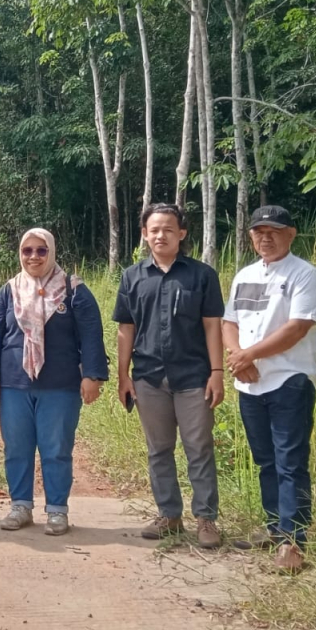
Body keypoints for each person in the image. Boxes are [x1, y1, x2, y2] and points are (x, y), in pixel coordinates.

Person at [113, 203, 226, 549]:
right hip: (148, 377)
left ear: (182, 234)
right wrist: (123, 376)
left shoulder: (202, 275)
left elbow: (212, 326)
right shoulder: (132, 277)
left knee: (199, 448)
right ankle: (169, 515)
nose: (160, 235)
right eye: (154, 230)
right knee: (159, 449)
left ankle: (205, 519)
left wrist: (217, 372)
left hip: (193, 377)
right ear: (144, 234)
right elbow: (126, 329)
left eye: (168, 229)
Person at [0, 228, 106, 535]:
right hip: (14, 385)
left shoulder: (73, 289)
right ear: (20, 254)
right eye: (27, 251)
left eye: (41, 250)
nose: (34, 256)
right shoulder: (9, 291)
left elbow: (91, 334)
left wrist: (92, 376)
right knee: (17, 448)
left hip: (60, 385)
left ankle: (57, 510)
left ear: (51, 252)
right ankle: (20, 506)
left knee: (56, 449)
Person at [223, 205, 316, 572]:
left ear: (291, 234)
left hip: (289, 381)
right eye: (258, 231)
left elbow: (297, 328)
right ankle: (273, 528)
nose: (265, 238)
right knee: (265, 460)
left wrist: (248, 354)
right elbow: (229, 322)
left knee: (290, 462)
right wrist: (239, 357)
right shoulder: (245, 275)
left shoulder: (305, 275)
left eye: (274, 231)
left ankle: (293, 542)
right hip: (250, 384)